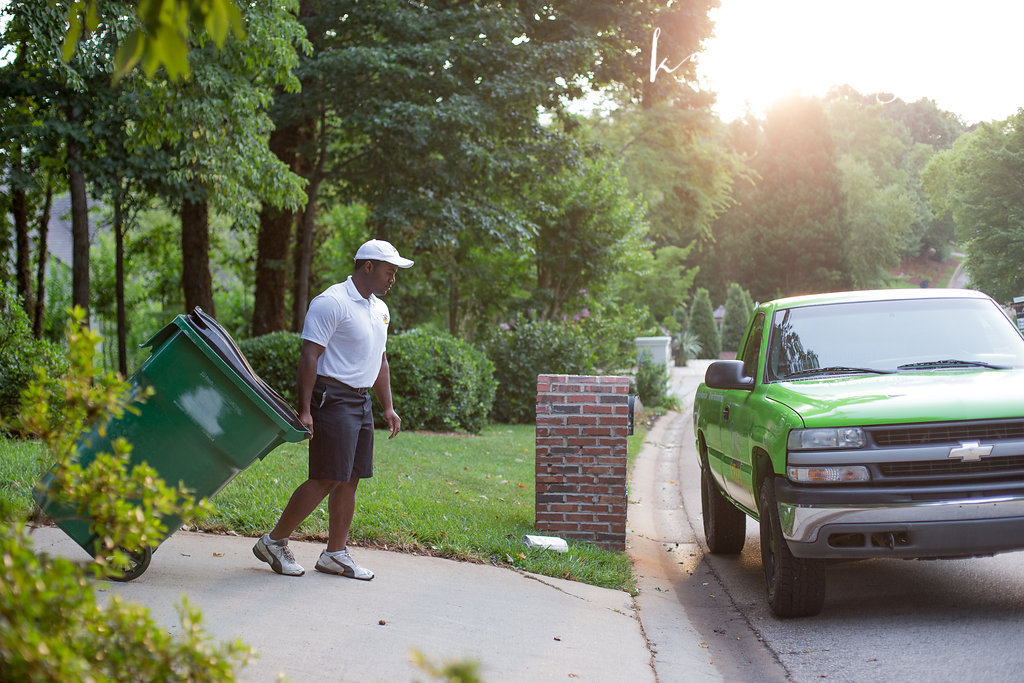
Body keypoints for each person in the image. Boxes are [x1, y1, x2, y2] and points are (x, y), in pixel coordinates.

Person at [253, 239, 414, 580]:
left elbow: (380, 360)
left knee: (350, 478)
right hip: (332, 397)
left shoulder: (379, 309)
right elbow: (309, 355)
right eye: (389, 271)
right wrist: (305, 409)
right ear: (367, 266)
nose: (392, 280)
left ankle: (335, 554)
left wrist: (388, 406)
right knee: (326, 476)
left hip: (361, 401)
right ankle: (274, 542)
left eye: (395, 274)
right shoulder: (332, 302)